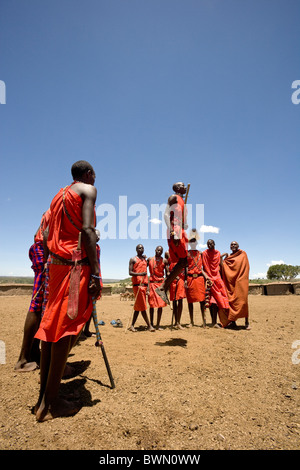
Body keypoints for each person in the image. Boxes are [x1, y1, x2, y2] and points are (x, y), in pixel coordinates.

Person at [33, 161, 101, 422]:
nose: (95, 179)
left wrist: (54, 261)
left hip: (57, 266)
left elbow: (48, 232)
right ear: (88, 175)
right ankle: (51, 405)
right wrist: (94, 272)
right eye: (94, 175)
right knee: (65, 330)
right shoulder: (88, 190)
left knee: (52, 329)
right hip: (75, 267)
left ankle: (45, 399)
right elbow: (86, 230)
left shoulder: (58, 195)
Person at [14, 209, 51, 372]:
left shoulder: (52, 207)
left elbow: (38, 232)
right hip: (44, 251)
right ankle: (22, 360)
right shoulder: (63, 204)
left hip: (40, 249)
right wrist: (48, 259)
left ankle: (34, 351)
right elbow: (47, 232)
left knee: (43, 304)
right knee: (37, 304)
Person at [156, 182, 189, 304]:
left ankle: (163, 287)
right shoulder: (173, 197)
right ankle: (163, 287)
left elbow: (182, 219)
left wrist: (184, 224)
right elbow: (165, 214)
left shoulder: (182, 201)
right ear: (176, 188)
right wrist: (172, 231)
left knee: (184, 261)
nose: (185, 187)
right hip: (175, 230)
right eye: (182, 185)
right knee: (183, 260)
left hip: (180, 229)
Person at [221, 241, 250, 330]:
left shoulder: (243, 254)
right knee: (231, 302)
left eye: (235, 244)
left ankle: (247, 322)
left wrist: (242, 279)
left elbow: (246, 267)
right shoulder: (229, 258)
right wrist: (223, 256)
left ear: (238, 246)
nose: (233, 246)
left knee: (243, 302)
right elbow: (222, 266)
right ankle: (233, 322)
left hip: (241, 281)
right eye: (231, 245)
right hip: (231, 283)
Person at [202, 239, 229, 327]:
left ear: (214, 243)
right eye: (208, 244)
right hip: (209, 280)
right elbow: (202, 267)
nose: (209, 245)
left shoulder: (217, 253)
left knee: (221, 300)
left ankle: (224, 320)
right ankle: (213, 322)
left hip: (217, 279)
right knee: (211, 301)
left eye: (211, 243)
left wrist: (224, 255)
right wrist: (207, 277)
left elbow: (220, 263)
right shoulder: (205, 253)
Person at [185, 229, 209, 327]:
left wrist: (206, 277)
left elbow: (202, 267)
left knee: (202, 300)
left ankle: (204, 321)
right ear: (190, 244)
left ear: (196, 243)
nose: (193, 243)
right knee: (190, 301)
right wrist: (186, 279)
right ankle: (191, 322)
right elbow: (186, 267)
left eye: (194, 242)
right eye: (191, 242)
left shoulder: (201, 254)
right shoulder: (187, 254)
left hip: (199, 279)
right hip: (190, 278)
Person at [128, 244, 155, 332]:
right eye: (139, 248)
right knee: (142, 306)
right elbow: (130, 272)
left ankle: (132, 325)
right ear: (136, 249)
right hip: (137, 285)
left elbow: (149, 260)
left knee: (138, 306)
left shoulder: (144, 260)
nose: (141, 249)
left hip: (144, 285)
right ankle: (149, 325)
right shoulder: (133, 259)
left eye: (142, 248)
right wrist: (140, 274)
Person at [83, 229, 103, 337]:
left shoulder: (96, 248)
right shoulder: (88, 247)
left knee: (91, 306)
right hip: (88, 278)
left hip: (93, 278)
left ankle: (86, 330)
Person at [147, 246, 168, 330]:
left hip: (160, 285)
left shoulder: (165, 261)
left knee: (160, 305)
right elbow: (144, 268)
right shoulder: (149, 259)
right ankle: (151, 324)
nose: (159, 251)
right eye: (158, 250)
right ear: (155, 250)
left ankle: (158, 325)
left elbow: (167, 274)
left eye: (161, 251)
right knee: (151, 305)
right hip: (152, 284)